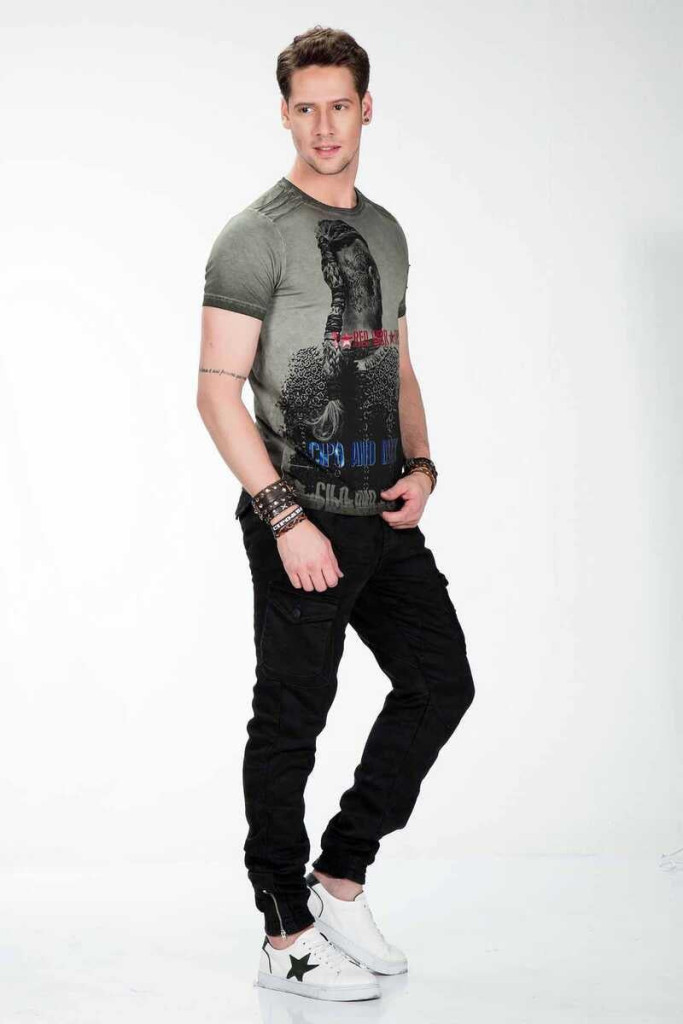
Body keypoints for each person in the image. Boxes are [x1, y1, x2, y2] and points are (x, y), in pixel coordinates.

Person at [197, 25, 476, 1003]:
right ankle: (284, 932)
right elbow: (215, 392)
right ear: (284, 113)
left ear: (366, 108)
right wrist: (283, 516)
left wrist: (421, 464)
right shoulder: (254, 235)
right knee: (291, 719)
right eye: (305, 107)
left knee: (439, 683)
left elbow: (397, 362)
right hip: (300, 515)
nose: (324, 125)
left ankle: (340, 878)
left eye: (339, 105)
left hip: (381, 515)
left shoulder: (387, 232)